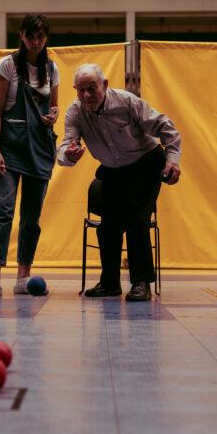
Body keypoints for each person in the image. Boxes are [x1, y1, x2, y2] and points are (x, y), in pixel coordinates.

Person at [58, 64, 181, 301]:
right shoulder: (75, 112)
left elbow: (166, 127)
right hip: (113, 170)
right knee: (108, 227)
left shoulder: (126, 102)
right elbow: (66, 144)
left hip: (146, 164)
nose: (86, 96)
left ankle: (140, 282)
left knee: (136, 219)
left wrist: (173, 161)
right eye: (81, 90)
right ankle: (110, 283)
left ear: (104, 85)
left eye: (91, 88)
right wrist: (68, 154)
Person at [0, 14, 60, 297]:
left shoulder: (52, 68)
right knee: (3, 211)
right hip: (9, 148)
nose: (36, 42)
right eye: (31, 36)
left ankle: (23, 276)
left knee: (31, 217)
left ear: (45, 38)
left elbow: (55, 108)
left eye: (41, 37)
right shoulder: (7, 65)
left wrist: (53, 116)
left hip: (40, 147)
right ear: (21, 36)